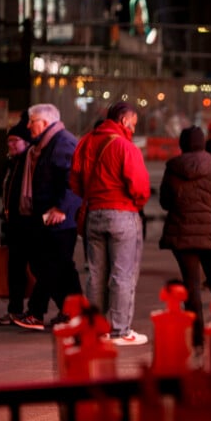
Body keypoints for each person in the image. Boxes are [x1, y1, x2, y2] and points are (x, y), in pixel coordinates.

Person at [69, 101, 151, 346]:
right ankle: (120, 330)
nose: (134, 130)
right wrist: (136, 203)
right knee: (122, 275)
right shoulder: (126, 147)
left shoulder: (85, 142)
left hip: (93, 214)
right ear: (125, 121)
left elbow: (73, 179)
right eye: (133, 125)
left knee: (95, 273)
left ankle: (96, 327)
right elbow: (140, 188)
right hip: (122, 214)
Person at [12, 104, 84, 330]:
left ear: (44, 123)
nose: (28, 126)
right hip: (48, 217)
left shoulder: (62, 144)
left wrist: (61, 208)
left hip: (60, 219)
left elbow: (71, 181)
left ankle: (39, 312)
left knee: (51, 265)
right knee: (55, 266)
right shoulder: (45, 144)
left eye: (31, 121)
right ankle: (70, 312)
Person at [159, 125, 211, 351]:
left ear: (182, 144)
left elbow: (165, 202)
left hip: (183, 235)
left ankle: (197, 338)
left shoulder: (173, 168)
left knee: (191, 286)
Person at [0, 112, 36, 325]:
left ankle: (37, 309)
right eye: (9, 140)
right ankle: (16, 310)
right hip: (12, 224)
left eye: (15, 140)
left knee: (37, 268)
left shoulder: (28, 162)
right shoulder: (12, 163)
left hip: (26, 223)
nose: (11, 144)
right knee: (15, 268)